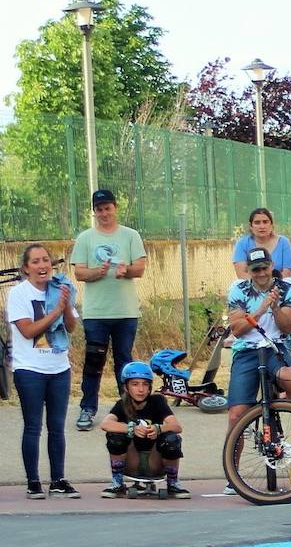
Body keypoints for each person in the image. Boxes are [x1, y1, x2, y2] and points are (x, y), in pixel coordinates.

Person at [225, 246, 291, 495]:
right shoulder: (238, 289)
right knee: (236, 415)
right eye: (256, 270)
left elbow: (286, 328)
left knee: (290, 376)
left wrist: (275, 307)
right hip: (247, 351)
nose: (261, 273)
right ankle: (233, 472)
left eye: (265, 268)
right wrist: (262, 308)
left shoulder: (287, 288)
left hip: (275, 348)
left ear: (271, 266)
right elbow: (237, 329)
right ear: (249, 271)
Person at [8, 243, 80, 498]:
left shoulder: (60, 288)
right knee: (33, 426)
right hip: (29, 369)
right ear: (26, 268)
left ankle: (58, 479)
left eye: (46, 260)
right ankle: (33, 481)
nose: (42, 266)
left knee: (57, 427)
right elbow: (28, 331)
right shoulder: (19, 294)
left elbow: (70, 328)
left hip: (59, 367)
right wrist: (57, 311)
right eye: (36, 261)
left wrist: (67, 305)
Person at [71, 189, 147, 432]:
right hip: (96, 313)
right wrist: (97, 273)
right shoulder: (85, 238)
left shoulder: (130, 235)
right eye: (99, 209)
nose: (104, 213)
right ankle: (88, 408)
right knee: (94, 362)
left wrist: (128, 270)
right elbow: (79, 272)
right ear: (94, 212)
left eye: (108, 208)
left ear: (115, 208)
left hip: (125, 312)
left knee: (124, 363)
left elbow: (140, 268)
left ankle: (127, 411)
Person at [98, 361, 188, 498]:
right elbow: (105, 424)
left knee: (172, 439)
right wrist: (131, 428)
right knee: (115, 436)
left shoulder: (157, 401)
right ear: (126, 387)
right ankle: (117, 483)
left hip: (155, 459)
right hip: (132, 460)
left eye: (145, 384)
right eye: (135, 384)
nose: (141, 389)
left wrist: (159, 428)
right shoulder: (122, 404)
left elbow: (176, 426)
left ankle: (173, 483)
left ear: (150, 387)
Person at [232, 207, 291, 279]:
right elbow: (241, 275)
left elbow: (286, 275)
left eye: (265, 222)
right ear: (251, 226)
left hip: (279, 286)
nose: (262, 226)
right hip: (250, 287)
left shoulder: (284, 242)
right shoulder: (242, 244)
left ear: (271, 224)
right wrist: (262, 285)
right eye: (257, 223)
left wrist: (272, 287)